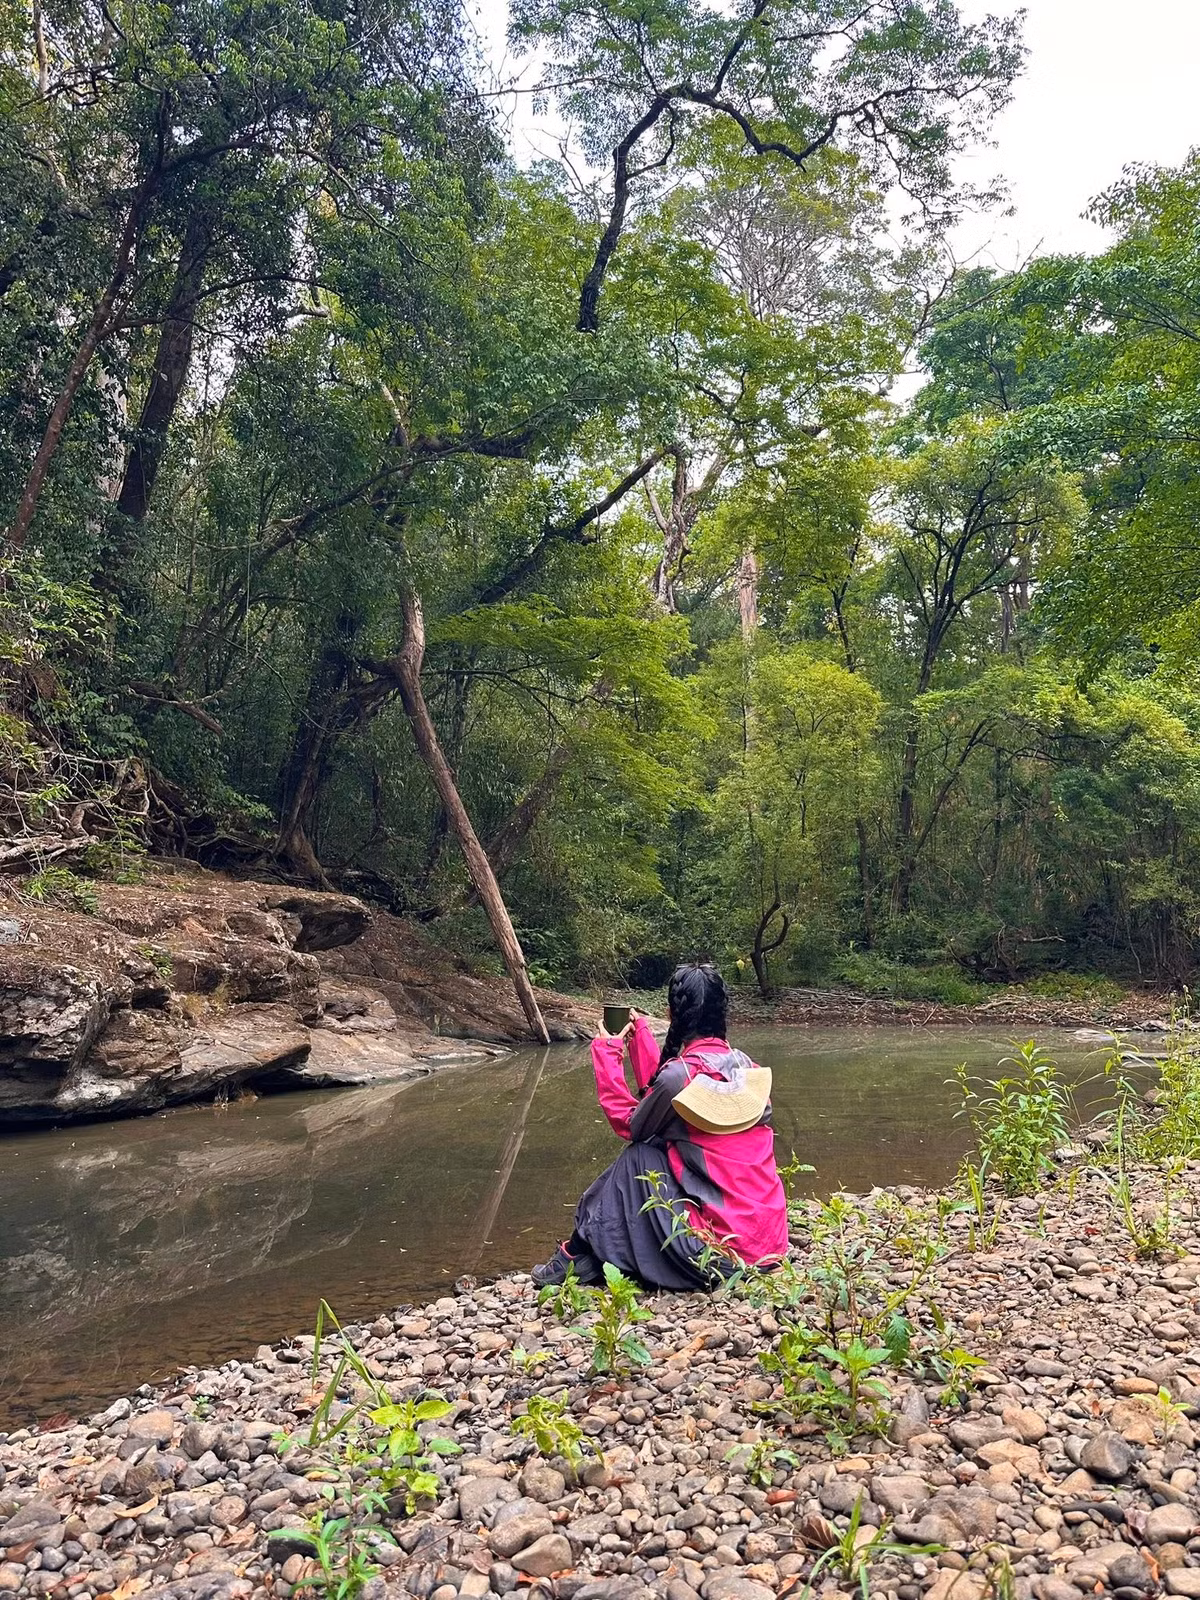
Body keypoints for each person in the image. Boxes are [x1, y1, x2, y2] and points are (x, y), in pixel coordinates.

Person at [531, 962, 789, 1290]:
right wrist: (639, 1038)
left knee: (638, 1155)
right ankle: (582, 1252)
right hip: (768, 1246)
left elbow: (631, 1124)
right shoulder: (749, 1070)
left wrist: (607, 1052)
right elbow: (664, 1088)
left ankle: (577, 1253)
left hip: (721, 1256)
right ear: (724, 1012)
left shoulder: (679, 1077)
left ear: (670, 1013)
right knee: (655, 1148)